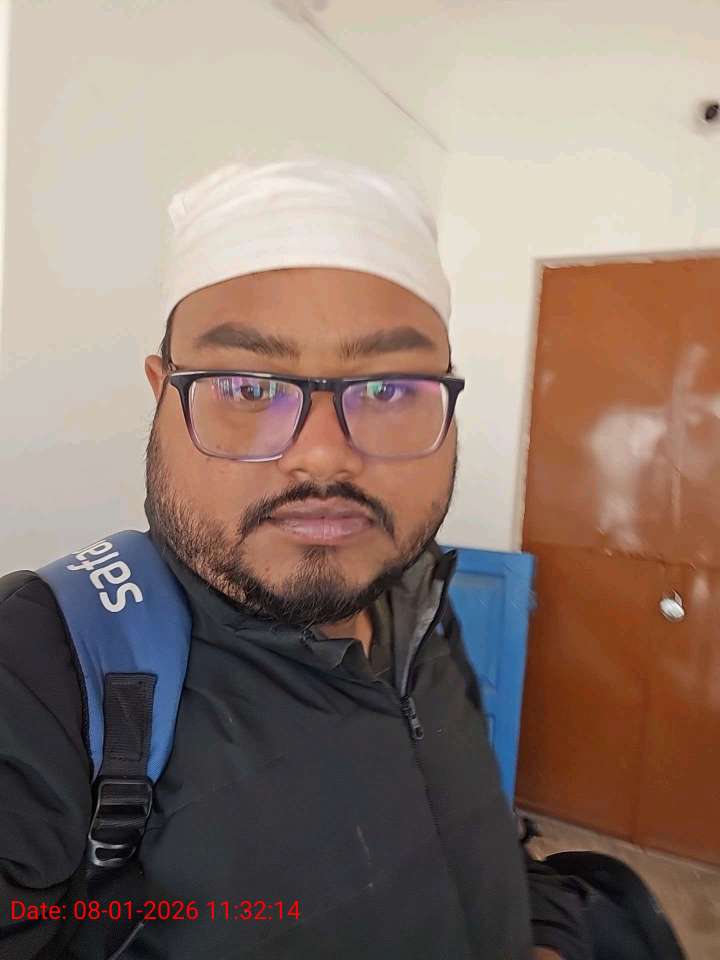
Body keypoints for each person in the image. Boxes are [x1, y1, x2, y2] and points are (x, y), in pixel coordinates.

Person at [0, 158, 589, 959]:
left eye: (386, 390)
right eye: (246, 387)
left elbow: (478, 848)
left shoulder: (419, 609)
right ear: (161, 392)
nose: (323, 456)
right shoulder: (41, 671)